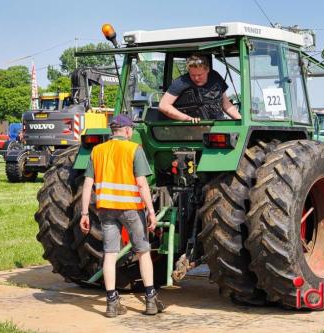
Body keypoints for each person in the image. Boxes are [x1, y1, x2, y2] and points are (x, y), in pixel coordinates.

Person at [79, 114, 164, 318]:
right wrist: (152, 211)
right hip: (131, 209)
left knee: (109, 254)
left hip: (106, 209)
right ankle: (151, 300)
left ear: (112, 131)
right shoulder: (134, 149)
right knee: (143, 252)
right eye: (131, 130)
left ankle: (111, 303)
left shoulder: (97, 151)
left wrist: (84, 213)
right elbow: (142, 184)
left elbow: (88, 184)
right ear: (127, 131)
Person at [158, 54, 241, 123]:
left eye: (200, 75)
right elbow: (163, 105)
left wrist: (240, 120)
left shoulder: (215, 78)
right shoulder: (181, 82)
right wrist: (187, 119)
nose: (196, 78)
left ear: (207, 70)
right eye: (193, 75)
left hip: (217, 125)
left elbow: (225, 103)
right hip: (191, 129)